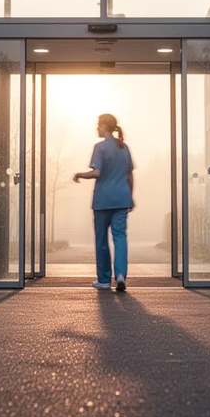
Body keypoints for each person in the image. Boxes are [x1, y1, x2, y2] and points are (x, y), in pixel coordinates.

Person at [74, 113, 134, 292]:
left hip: (103, 200)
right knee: (120, 237)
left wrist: (79, 174)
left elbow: (96, 173)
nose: (96, 128)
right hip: (122, 198)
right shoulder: (124, 147)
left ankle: (104, 280)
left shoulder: (99, 147)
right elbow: (130, 175)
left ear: (104, 127)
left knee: (102, 240)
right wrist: (130, 196)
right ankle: (121, 275)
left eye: (98, 125)